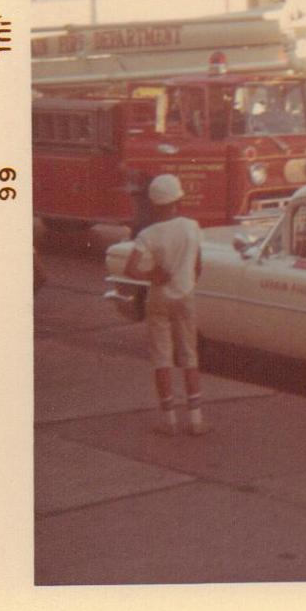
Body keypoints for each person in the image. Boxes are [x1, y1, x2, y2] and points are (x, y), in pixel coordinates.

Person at [124, 173, 210, 437]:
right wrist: (186, 282)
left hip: (159, 298)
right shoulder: (191, 227)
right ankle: (195, 420)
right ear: (178, 200)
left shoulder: (148, 234)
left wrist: (153, 276)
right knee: (189, 356)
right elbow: (198, 265)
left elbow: (131, 269)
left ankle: (169, 420)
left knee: (162, 358)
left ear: (153, 203)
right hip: (185, 296)